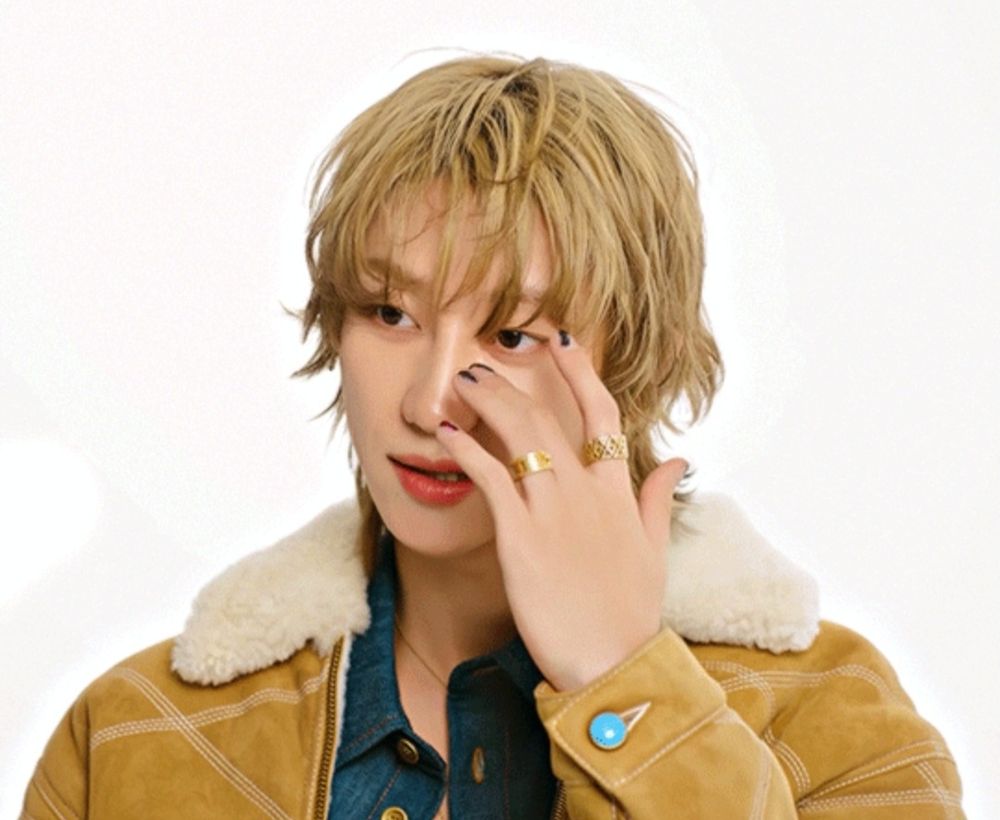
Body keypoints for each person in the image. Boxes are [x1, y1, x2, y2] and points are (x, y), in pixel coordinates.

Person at [22, 55, 963, 819]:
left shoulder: (832, 722)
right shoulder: (142, 732)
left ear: (636, 359)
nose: (432, 402)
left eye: (512, 334)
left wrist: (622, 681)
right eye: (389, 312)